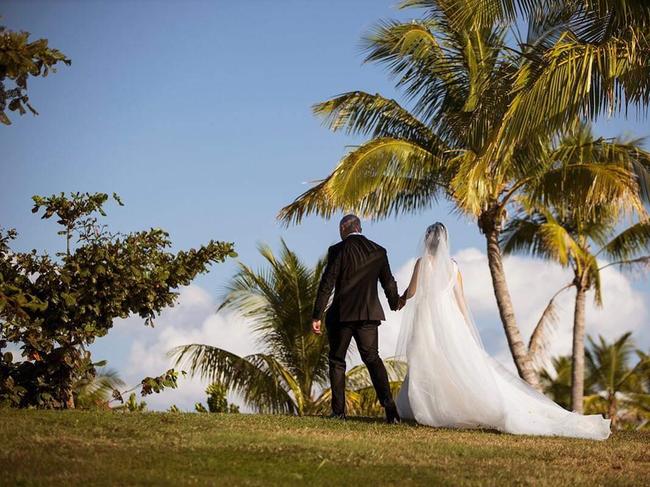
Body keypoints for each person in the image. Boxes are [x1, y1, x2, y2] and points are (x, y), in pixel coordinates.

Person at [395, 222, 611, 440]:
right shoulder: (454, 267)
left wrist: (402, 298)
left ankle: (428, 408)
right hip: (448, 317)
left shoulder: (422, 263)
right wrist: (465, 326)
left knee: (425, 357)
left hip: (428, 317)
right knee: (448, 361)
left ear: (427, 241)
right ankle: (435, 407)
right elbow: (460, 299)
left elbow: (413, 290)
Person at [312, 214, 402, 423]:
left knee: (337, 360)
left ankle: (338, 412)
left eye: (339, 229)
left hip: (342, 315)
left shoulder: (338, 250)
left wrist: (317, 314)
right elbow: (388, 283)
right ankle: (391, 412)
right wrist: (394, 303)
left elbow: (327, 283)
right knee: (373, 360)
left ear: (344, 228)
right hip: (368, 316)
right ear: (359, 228)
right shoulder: (378, 251)